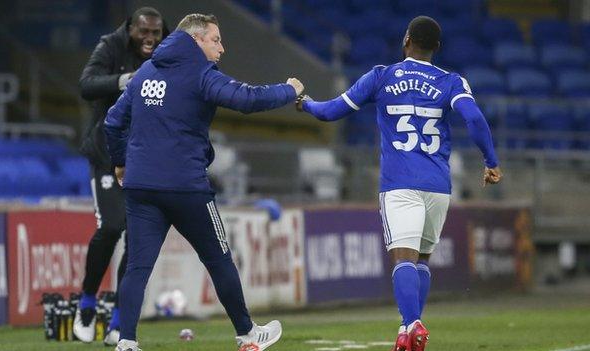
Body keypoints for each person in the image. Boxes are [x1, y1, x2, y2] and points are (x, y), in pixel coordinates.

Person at [296, 16, 502, 351]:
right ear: (436, 47)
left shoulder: (381, 76)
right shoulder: (451, 81)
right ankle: (409, 333)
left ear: (407, 40)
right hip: (437, 186)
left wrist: (305, 103)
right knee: (421, 260)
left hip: (400, 184)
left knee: (403, 259)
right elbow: (475, 118)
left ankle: (411, 323)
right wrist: (491, 162)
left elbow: (330, 112)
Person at [103, 13, 304, 351]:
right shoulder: (201, 74)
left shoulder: (146, 73)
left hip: (140, 187)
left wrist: (121, 163)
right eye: (216, 40)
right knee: (218, 258)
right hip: (187, 188)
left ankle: (126, 341)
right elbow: (248, 99)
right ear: (196, 39)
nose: (222, 48)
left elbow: (112, 122)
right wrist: (289, 89)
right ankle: (247, 334)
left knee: (137, 266)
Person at [74, 7, 169, 346]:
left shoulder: (167, 52)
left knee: (137, 238)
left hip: (144, 157)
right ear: (130, 28)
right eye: (144, 31)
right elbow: (86, 85)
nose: (150, 38)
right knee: (112, 227)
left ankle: (118, 320)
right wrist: (123, 81)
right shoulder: (110, 47)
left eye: (156, 33)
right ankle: (85, 304)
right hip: (106, 154)